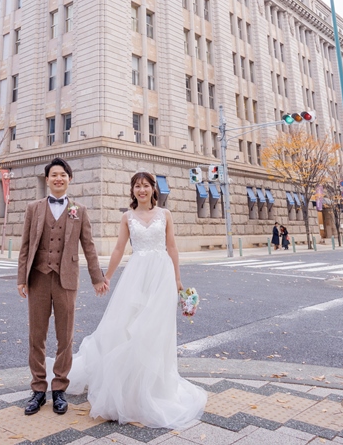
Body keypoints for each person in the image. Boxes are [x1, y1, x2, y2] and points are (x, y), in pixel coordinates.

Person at [64, 171, 207, 429]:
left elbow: (172, 247)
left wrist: (177, 279)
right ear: (132, 191)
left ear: (153, 189)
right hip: (136, 275)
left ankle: (156, 387)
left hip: (161, 276)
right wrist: (106, 276)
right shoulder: (127, 217)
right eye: (137, 186)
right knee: (129, 328)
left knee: (157, 330)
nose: (142, 190)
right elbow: (119, 248)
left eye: (146, 186)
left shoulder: (165, 215)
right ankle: (130, 389)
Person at [17, 158, 107, 416]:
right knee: (37, 336)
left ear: (69, 179)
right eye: (54, 175)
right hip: (38, 278)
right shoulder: (33, 208)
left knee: (65, 336)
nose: (58, 178)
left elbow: (89, 246)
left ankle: (59, 389)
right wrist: (21, 278)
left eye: (63, 175)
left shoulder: (79, 210)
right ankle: (38, 389)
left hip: (66, 279)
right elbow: (25, 245)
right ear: (47, 180)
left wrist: (97, 278)